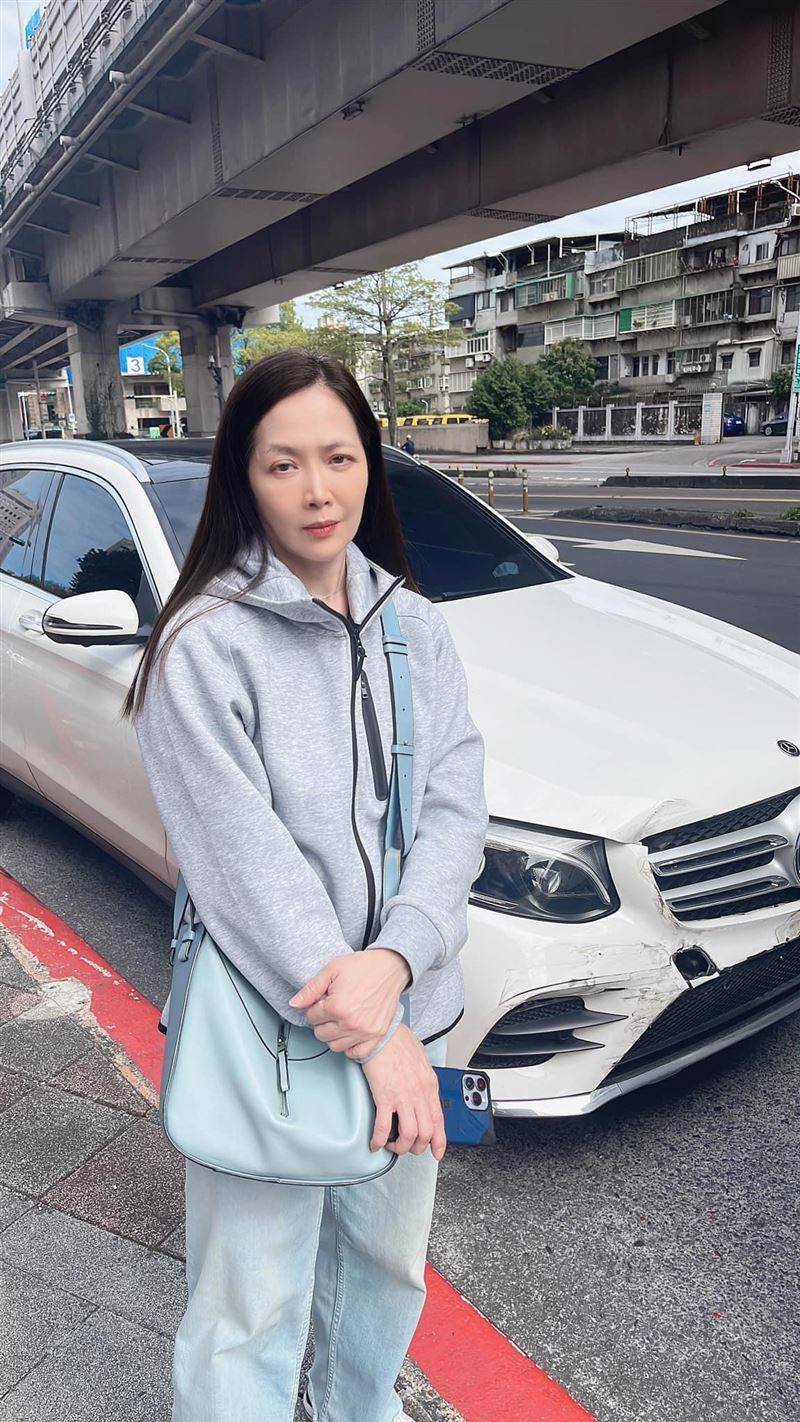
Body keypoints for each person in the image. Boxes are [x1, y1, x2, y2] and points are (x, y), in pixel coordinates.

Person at [122, 348, 489, 1422]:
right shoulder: (203, 645)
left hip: (411, 1013)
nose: (317, 491)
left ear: (370, 462)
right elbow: (243, 865)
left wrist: (398, 963)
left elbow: (457, 807)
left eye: (339, 457)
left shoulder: (415, 625)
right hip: (270, 1026)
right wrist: (370, 1030)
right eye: (283, 464)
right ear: (244, 478)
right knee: (247, 1305)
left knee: (384, 1272)